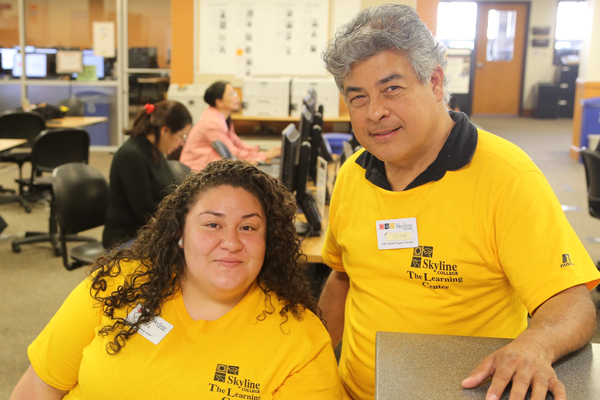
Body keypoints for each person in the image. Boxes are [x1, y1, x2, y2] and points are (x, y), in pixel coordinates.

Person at [318, 4, 600, 400]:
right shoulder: (353, 174)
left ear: (434, 82)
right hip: (355, 391)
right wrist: (314, 361)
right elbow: (341, 276)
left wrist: (537, 343)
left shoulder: (507, 178)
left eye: (391, 89)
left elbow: (571, 302)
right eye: (358, 97)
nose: (375, 112)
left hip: (458, 392)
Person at [10, 159, 342, 399]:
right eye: (212, 224)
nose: (231, 242)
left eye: (248, 227)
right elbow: (40, 387)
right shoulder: (119, 284)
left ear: (268, 242)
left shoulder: (300, 341)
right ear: (180, 233)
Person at [103, 100, 192, 248]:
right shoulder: (131, 156)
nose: (182, 143)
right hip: (126, 237)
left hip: (150, 232)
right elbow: (145, 212)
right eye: (182, 136)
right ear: (165, 131)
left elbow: (167, 195)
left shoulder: (154, 150)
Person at [179, 81, 281, 171]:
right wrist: (263, 156)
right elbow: (232, 153)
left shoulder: (223, 117)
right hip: (194, 171)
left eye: (235, 92)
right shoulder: (212, 122)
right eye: (231, 94)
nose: (237, 97)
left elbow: (237, 142)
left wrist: (259, 151)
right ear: (219, 102)